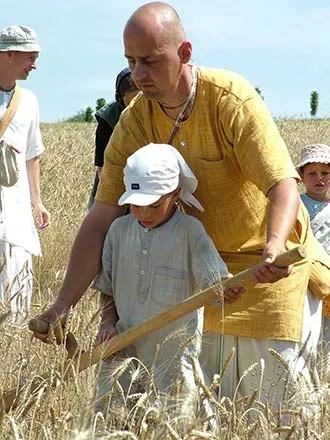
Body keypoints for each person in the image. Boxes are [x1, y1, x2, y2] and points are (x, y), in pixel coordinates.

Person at [30, 2, 330, 408]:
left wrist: (274, 246)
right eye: (131, 62)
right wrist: (62, 305)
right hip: (201, 284)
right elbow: (102, 217)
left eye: (150, 61)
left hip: (267, 274)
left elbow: (282, 183)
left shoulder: (230, 99)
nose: (138, 74)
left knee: (273, 408)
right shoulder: (135, 120)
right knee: (204, 408)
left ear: (184, 53)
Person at [93, 142, 230, 416]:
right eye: (135, 205)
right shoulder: (118, 231)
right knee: (111, 419)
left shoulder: (190, 232)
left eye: (153, 206)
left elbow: (215, 283)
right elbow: (107, 289)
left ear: (175, 193)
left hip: (173, 357)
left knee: (171, 422)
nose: (143, 213)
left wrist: (226, 289)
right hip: (122, 350)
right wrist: (107, 324)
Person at [0, 24, 50, 320]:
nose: (35, 65)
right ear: (9, 54)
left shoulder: (28, 101)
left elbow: (33, 155)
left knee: (17, 292)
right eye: (29, 57)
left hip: (16, 213)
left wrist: (38, 202)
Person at [88, 67, 139, 210]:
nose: (137, 109)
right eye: (130, 104)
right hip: (114, 179)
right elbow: (102, 167)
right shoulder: (108, 118)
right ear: (120, 100)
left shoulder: (157, 111)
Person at [297, 143, 330, 358]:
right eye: (312, 173)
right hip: (305, 275)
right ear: (301, 176)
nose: (319, 179)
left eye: (325, 173)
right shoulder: (295, 204)